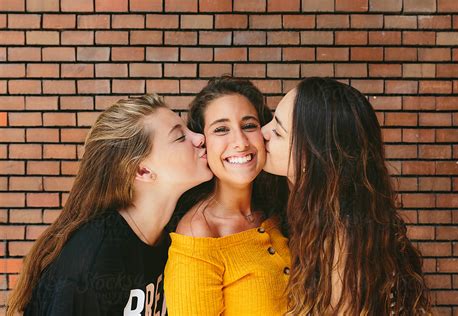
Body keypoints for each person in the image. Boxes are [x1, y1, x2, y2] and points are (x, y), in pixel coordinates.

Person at [7, 94, 213, 315]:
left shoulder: (177, 232)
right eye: (180, 137)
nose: (200, 138)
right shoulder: (96, 258)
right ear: (142, 171)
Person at [261, 77, 431, 315]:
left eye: (278, 132)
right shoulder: (326, 211)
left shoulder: (343, 238)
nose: (263, 132)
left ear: (312, 156)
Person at [164, 76, 290, 315]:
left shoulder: (275, 210)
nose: (241, 142)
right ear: (203, 143)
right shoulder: (198, 234)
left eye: (249, 125)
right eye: (221, 129)